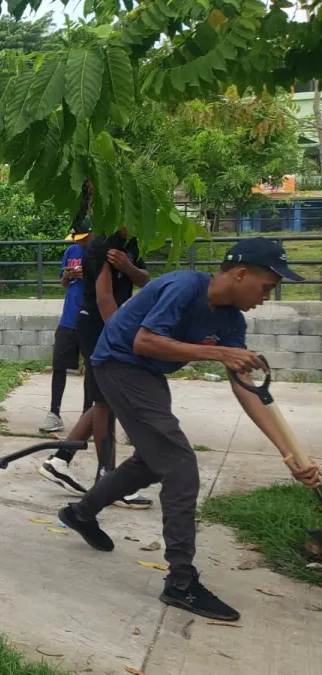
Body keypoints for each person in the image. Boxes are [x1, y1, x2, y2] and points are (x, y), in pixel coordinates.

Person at [58, 238, 320, 621]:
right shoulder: (184, 286)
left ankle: (81, 514)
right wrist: (219, 352)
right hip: (118, 363)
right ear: (241, 274)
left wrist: (291, 456)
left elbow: (247, 388)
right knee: (179, 463)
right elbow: (144, 341)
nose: (266, 297)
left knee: (153, 460)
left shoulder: (232, 321)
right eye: (266, 287)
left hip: (147, 373)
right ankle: (181, 582)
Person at [39, 204, 153, 509]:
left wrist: (127, 268)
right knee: (105, 402)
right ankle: (108, 478)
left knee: (104, 401)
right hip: (97, 324)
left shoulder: (131, 244)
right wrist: (121, 337)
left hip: (113, 323)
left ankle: (61, 460)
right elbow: (103, 298)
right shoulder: (101, 246)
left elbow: (145, 279)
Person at [39, 223, 93, 434]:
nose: (80, 242)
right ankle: (54, 413)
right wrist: (68, 276)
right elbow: (63, 282)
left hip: (90, 318)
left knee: (91, 368)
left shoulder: (99, 253)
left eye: (83, 237)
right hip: (68, 318)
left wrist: (87, 275)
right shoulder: (71, 251)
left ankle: (87, 415)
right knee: (59, 364)